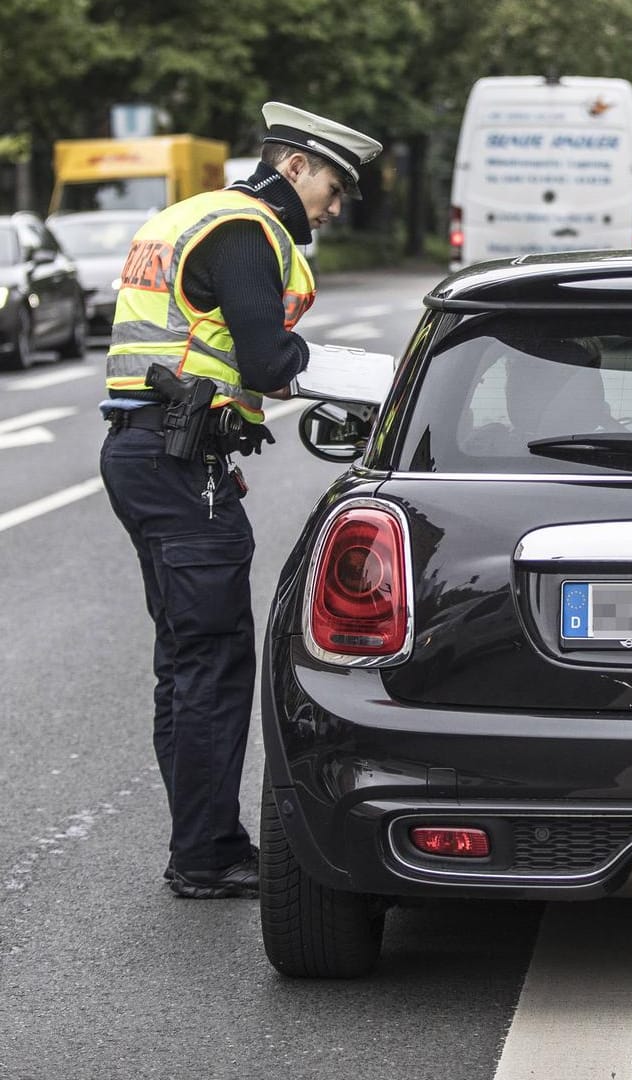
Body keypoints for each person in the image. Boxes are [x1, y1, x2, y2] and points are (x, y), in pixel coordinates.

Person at [99, 102, 380, 899]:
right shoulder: (247, 230)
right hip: (179, 461)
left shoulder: (187, 216)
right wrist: (376, 383)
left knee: (185, 661)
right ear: (294, 166)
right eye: (333, 184)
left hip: (149, 452)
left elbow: (198, 348)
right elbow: (265, 358)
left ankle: (201, 842)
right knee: (214, 662)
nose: (336, 203)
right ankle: (207, 855)